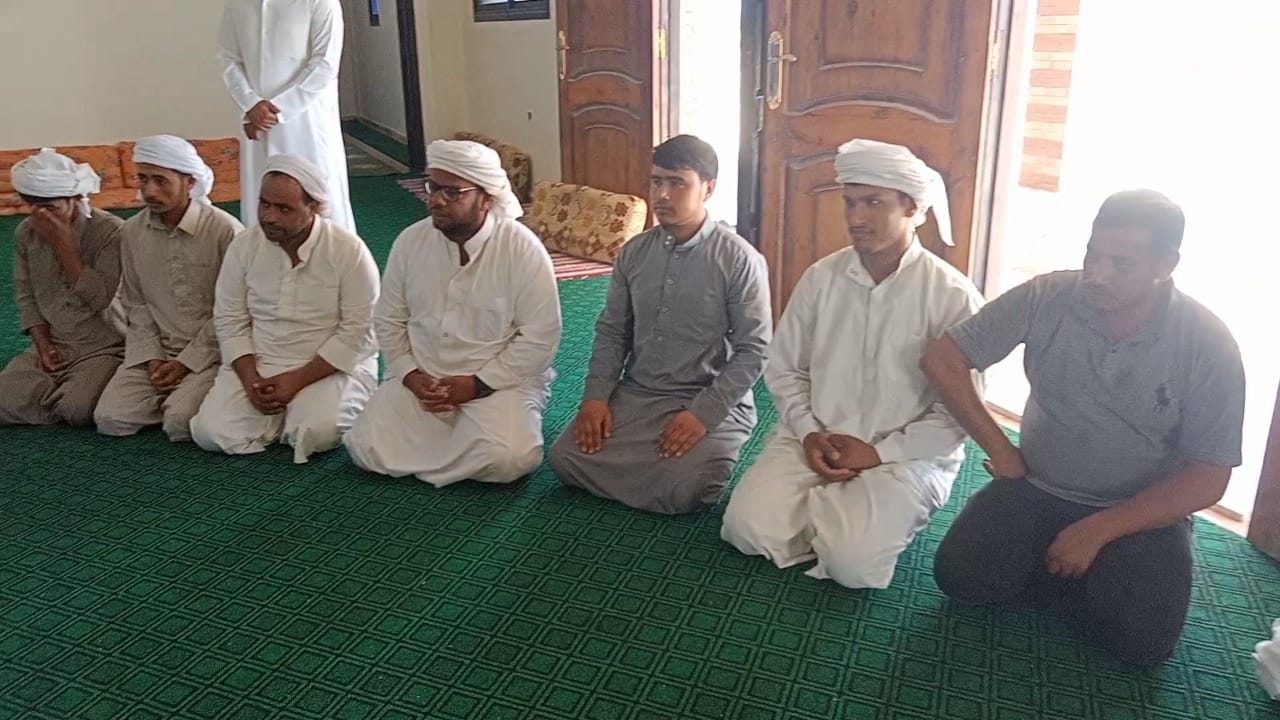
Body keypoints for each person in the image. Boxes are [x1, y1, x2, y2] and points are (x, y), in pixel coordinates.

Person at [921, 190, 1245, 667]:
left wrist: (1098, 531)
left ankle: (1079, 569)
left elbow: (1209, 476)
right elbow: (943, 359)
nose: (1097, 274)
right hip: (1036, 484)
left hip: (1135, 510)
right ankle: (1075, 575)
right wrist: (1001, 449)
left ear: (1166, 264)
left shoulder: (1207, 343)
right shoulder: (1047, 295)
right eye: (1093, 254)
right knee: (961, 578)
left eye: (1120, 264)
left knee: (1142, 644)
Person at [720, 139, 983, 589]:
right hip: (816, 438)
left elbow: (959, 414)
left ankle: (851, 520)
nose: (856, 218)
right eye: (850, 202)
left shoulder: (953, 298)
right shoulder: (822, 279)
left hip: (906, 455)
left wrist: (879, 453)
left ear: (912, 208)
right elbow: (785, 368)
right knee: (746, 530)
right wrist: (808, 433)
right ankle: (838, 510)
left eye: (874, 203)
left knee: (853, 567)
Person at [548, 135, 772, 514]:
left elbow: (755, 349)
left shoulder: (739, 259)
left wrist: (702, 415)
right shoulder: (634, 253)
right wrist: (596, 398)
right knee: (566, 457)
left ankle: (702, 451)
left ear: (708, 189)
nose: (662, 195)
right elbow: (612, 331)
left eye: (677, 183)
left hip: (707, 396)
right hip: (640, 393)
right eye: (656, 181)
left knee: (690, 487)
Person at [344, 140, 561, 485]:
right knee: (365, 447)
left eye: (452, 192)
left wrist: (477, 384)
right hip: (424, 378)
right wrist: (411, 375)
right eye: (433, 187)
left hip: (496, 383)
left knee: (510, 459)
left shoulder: (522, 250)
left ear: (486, 198)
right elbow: (389, 319)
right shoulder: (410, 242)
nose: (436, 200)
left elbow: (541, 337)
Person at [190, 155, 379, 463]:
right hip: (262, 360)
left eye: (284, 209)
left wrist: (297, 381)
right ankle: (282, 414)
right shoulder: (244, 246)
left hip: (328, 365)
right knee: (210, 432)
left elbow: (362, 331)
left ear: (313, 207)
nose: (269, 217)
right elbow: (229, 319)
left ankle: (297, 413)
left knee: (316, 432)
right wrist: (251, 381)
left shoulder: (348, 251)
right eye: (264, 204)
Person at [94, 135, 244, 441]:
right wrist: (153, 357)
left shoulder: (225, 231)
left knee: (180, 421)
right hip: (158, 350)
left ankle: (187, 397)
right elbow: (135, 303)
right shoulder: (132, 232)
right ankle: (177, 394)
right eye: (143, 179)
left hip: (213, 351)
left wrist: (186, 363)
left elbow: (234, 311)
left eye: (161, 181)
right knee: (111, 418)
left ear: (189, 182)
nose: (149, 191)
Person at [0, 149, 124, 427]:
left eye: (50, 208)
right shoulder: (26, 233)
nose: (39, 216)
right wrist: (43, 346)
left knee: (77, 409)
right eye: (32, 206)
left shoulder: (110, 232)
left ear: (76, 199)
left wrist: (64, 247)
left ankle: (57, 396)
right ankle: (54, 391)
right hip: (56, 342)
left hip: (106, 346)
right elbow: (26, 296)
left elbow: (103, 300)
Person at [217, 0, 356, 233]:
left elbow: (325, 63)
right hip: (256, 121)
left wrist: (277, 110)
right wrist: (250, 104)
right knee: (262, 193)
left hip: (307, 121)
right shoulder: (238, 4)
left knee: (316, 196)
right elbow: (228, 59)